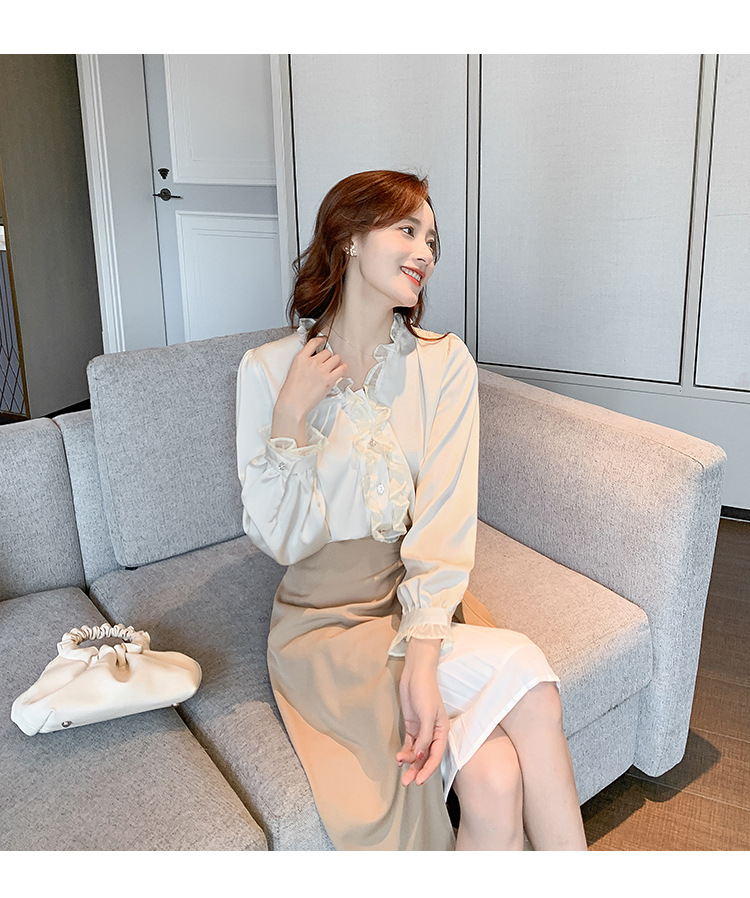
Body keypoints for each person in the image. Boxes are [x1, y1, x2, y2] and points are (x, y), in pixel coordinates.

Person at [236, 170, 587, 851]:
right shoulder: (269, 370)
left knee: (496, 779)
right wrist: (291, 415)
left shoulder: (443, 363)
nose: (425, 251)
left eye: (431, 239)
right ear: (349, 238)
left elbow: (446, 519)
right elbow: (282, 540)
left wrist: (422, 659)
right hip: (325, 630)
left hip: (415, 607)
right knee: (529, 683)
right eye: (407, 230)